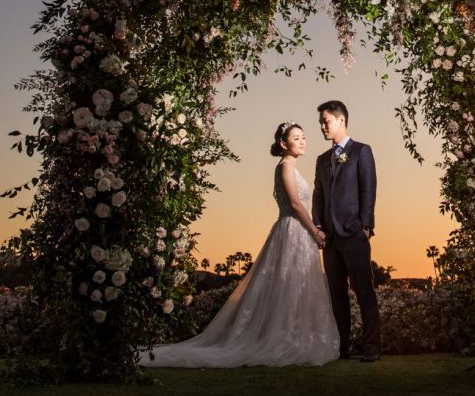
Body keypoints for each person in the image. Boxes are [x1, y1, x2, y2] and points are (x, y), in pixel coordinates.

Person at [139, 122, 339, 368]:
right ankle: (280, 339)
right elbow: (296, 204)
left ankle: (296, 336)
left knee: (297, 284)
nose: (302, 141)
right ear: (283, 144)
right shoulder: (285, 166)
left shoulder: (293, 167)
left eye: (304, 137)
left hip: (299, 233)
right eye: (296, 138)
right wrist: (316, 232)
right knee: (287, 283)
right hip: (292, 230)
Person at [312, 99, 381, 361]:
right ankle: (341, 348)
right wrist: (318, 227)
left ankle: (372, 347)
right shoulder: (321, 160)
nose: (322, 126)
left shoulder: (362, 151)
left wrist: (366, 226)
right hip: (329, 238)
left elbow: (369, 190)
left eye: (325, 121)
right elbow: (318, 196)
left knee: (364, 291)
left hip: (354, 233)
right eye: (320, 122)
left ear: (341, 120)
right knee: (336, 295)